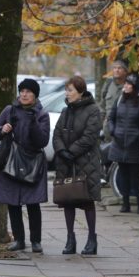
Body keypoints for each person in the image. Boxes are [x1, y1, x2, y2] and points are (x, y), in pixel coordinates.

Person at [0, 78, 50, 253]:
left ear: (35, 95)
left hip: (32, 163)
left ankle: (36, 241)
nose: (24, 95)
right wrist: (2, 130)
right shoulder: (9, 110)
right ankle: (18, 240)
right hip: (10, 161)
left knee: (33, 204)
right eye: (22, 91)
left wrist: (33, 123)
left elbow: (43, 140)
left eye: (28, 92)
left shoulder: (41, 114)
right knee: (13, 204)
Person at [52, 75, 103, 255]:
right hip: (66, 162)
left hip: (85, 161)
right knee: (68, 201)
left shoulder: (93, 110)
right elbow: (57, 134)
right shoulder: (66, 111)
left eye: (70, 90)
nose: (67, 93)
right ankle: (70, 238)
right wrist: (61, 151)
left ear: (80, 92)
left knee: (87, 201)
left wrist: (71, 151)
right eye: (66, 90)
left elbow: (90, 136)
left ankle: (91, 239)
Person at [107, 71, 139, 214]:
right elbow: (111, 117)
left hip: (134, 144)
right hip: (119, 143)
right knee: (123, 175)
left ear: (134, 86)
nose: (125, 86)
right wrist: (112, 130)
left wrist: (138, 135)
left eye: (128, 84)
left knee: (135, 176)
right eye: (125, 83)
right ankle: (125, 204)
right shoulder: (120, 99)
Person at [98, 58, 130, 142]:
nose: (116, 70)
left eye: (119, 68)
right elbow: (102, 106)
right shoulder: (108, 84)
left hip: (124, 131)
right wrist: (100, 125)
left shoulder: (130, 86)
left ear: (125, 71)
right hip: (107, 131)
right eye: (115, 68)